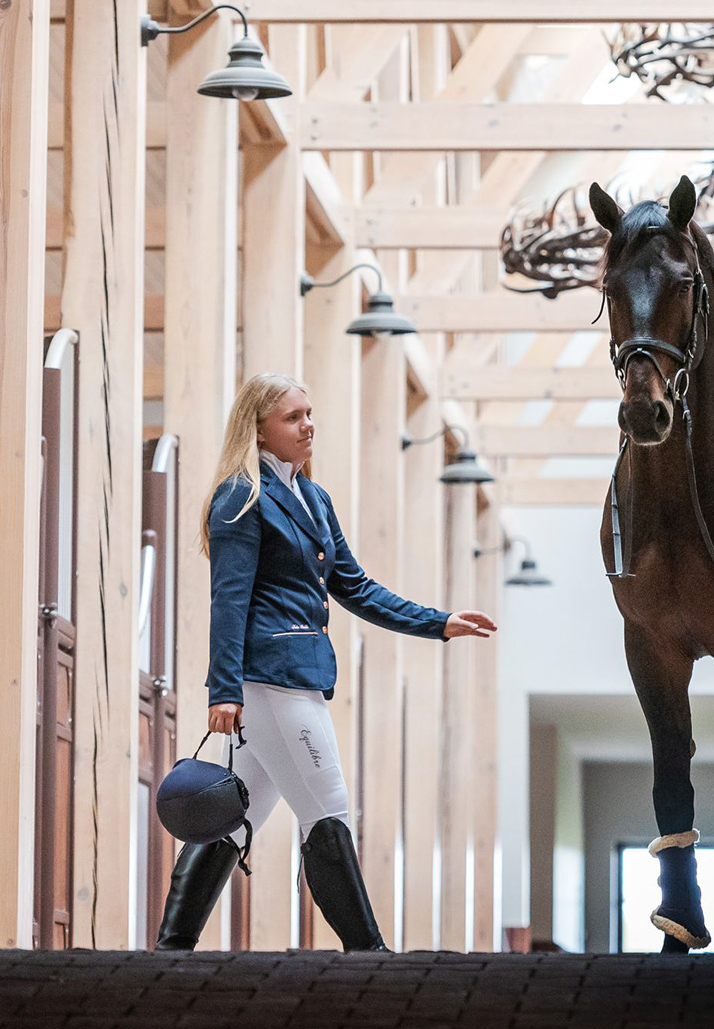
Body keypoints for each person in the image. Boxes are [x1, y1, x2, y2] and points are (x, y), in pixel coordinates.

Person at [155, 373, 498, 951]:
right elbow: (229, 599)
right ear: (257, 428)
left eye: (309, 414)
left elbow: (355, 587)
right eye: (293, 417)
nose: (308, 425)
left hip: (302, 676)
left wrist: (437, 622)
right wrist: (223, 691)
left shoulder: (314, 499)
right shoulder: (241, 495)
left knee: (234, 816)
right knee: (328, 807)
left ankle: (171, 949)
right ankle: (369, 952)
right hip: (268, 679)